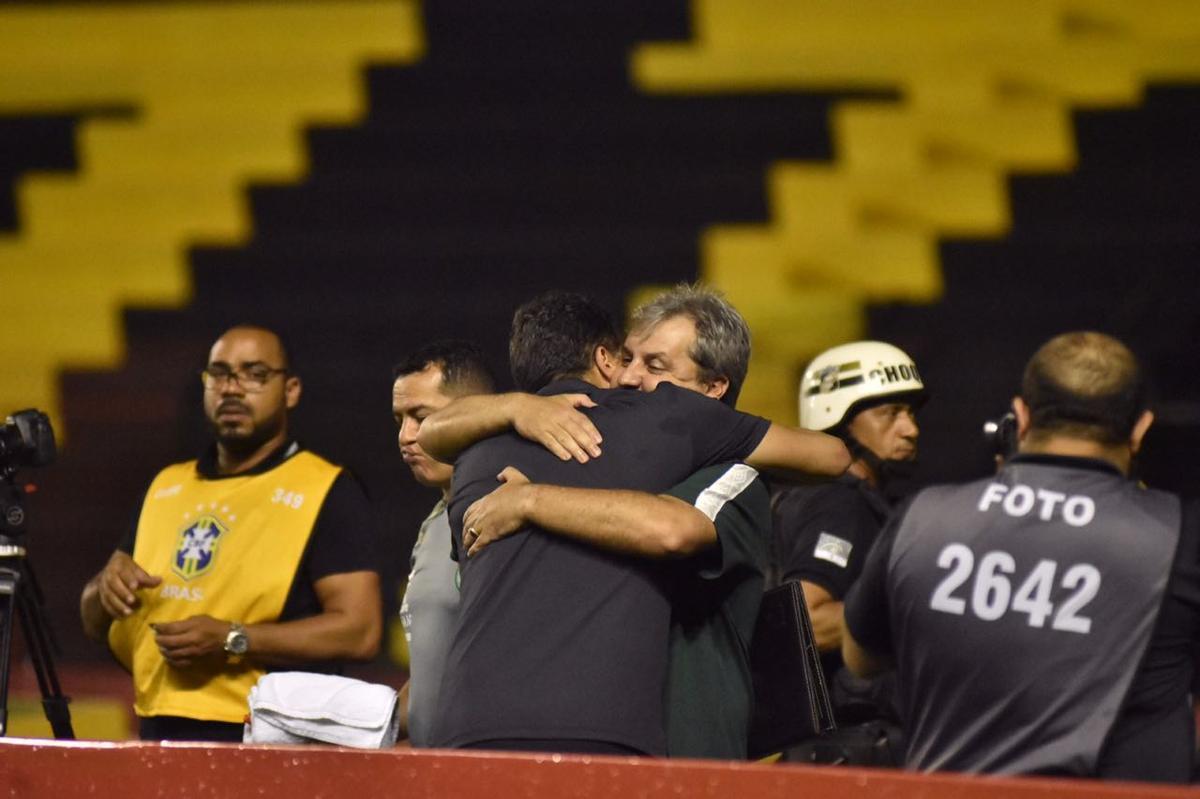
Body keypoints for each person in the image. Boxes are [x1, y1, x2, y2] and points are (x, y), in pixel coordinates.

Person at [422, 290, 850, 756]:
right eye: (628, 358)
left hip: (689, 753)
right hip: (608, 733)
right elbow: (433, 432)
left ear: (713, 389)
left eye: (655, 366)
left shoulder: (733, 475)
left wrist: (531, 499)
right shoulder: (599, 434)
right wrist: (517, 407)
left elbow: (674, 529)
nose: (628, 377)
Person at [842, 331, 1199, 782]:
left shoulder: (922, 518)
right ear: (1140, 430)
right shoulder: (1180, 536)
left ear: (1021, 417)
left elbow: (860, 658)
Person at [79, 325, 382, 742]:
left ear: (291, 390)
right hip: (157, 727)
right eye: (219, 373)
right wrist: (104, 587)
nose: (232, 388)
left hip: (266, 737)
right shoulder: (167, 485)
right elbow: (94, 621)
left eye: (255, 374)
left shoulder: (326, 489)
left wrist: (234, 638)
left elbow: (361, 632)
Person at [771, 341, 924, 735]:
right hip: (845, 745)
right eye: (890, 413)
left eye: (910, 413)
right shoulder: (840, 503)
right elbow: (804, 621)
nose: (910, 429)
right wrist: (918, 609)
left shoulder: (833, 498)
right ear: (838, 420)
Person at [391, 340, 494, 746]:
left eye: (422, 417)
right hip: (433, 769)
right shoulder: (433, 525)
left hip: (494, 764)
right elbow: (432, 680)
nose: (406, 436)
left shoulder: (511, 514)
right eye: (399, 419)